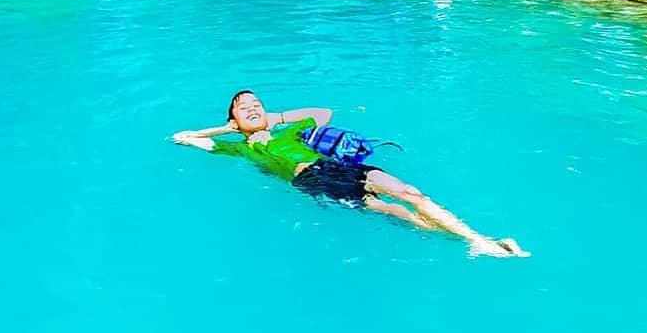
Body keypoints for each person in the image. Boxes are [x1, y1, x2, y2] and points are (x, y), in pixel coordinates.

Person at [172, 90, 527, 258]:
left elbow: (322, 112)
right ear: (234, 119)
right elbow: (184, 138)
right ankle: (471, 243)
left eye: (256, 105)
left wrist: (274, 117)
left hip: (338, 167)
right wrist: (229, 128)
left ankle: (478, 237)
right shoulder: (240, 147)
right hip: (311, 181)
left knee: (411, 194)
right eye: (243, 108)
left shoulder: (286, 130)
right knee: (396, 210)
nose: (252, 109)